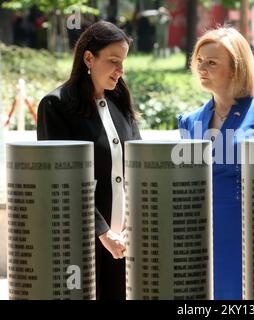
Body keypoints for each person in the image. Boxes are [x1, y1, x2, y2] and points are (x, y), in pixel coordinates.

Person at [178, 27, 254, 299]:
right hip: (200, 235)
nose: (202, 68)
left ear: (235, 68)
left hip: (251, 234)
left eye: (212, 62)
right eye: (199, 61)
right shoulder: (190, 121)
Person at [37, 21, 141, 300]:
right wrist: (103, 233)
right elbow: (63, 182)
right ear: (88, 58)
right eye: (114, 61)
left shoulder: (121, 102)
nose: (121, 70)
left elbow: (138, 167)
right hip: (83, 245)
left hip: (126, 244)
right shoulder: (56, 106)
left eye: (124, 62)